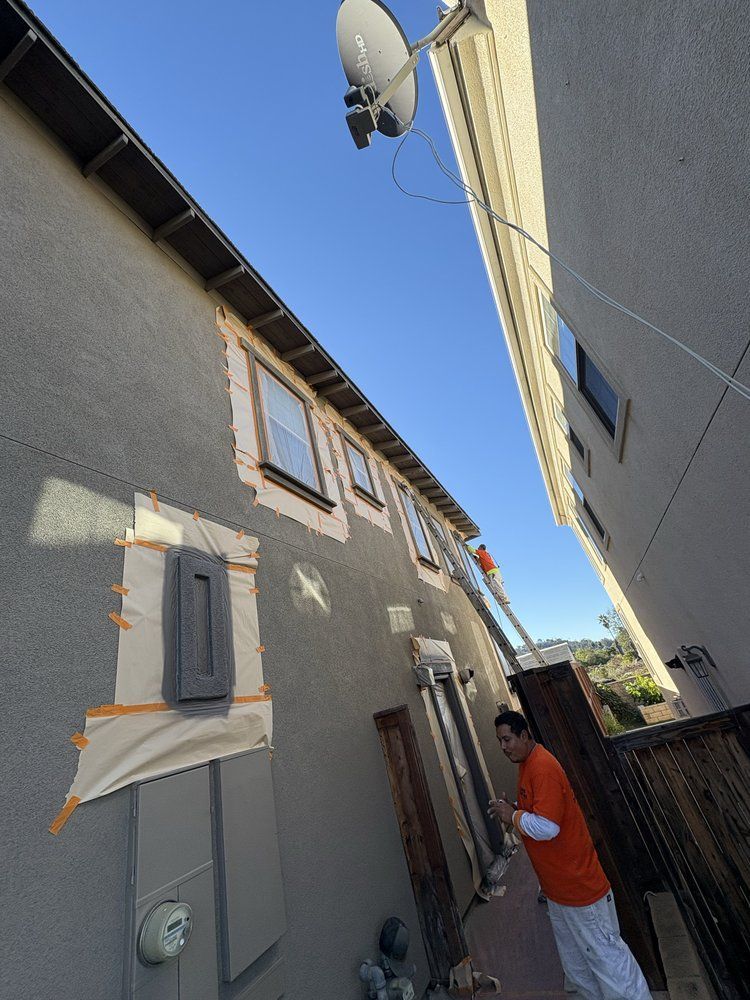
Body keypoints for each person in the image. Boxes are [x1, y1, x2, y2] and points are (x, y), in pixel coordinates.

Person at [488, 711, 652, 1000]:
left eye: (507, 739)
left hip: (580, 890)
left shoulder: (542, 767)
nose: (503, 746)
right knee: (577, 970)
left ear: (525, 735)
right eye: (500, 740)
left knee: (609, 961)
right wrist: (513, 809)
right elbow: (540, 812)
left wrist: (512, 815)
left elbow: (548, 827)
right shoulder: (527, 765)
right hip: (559, 893)